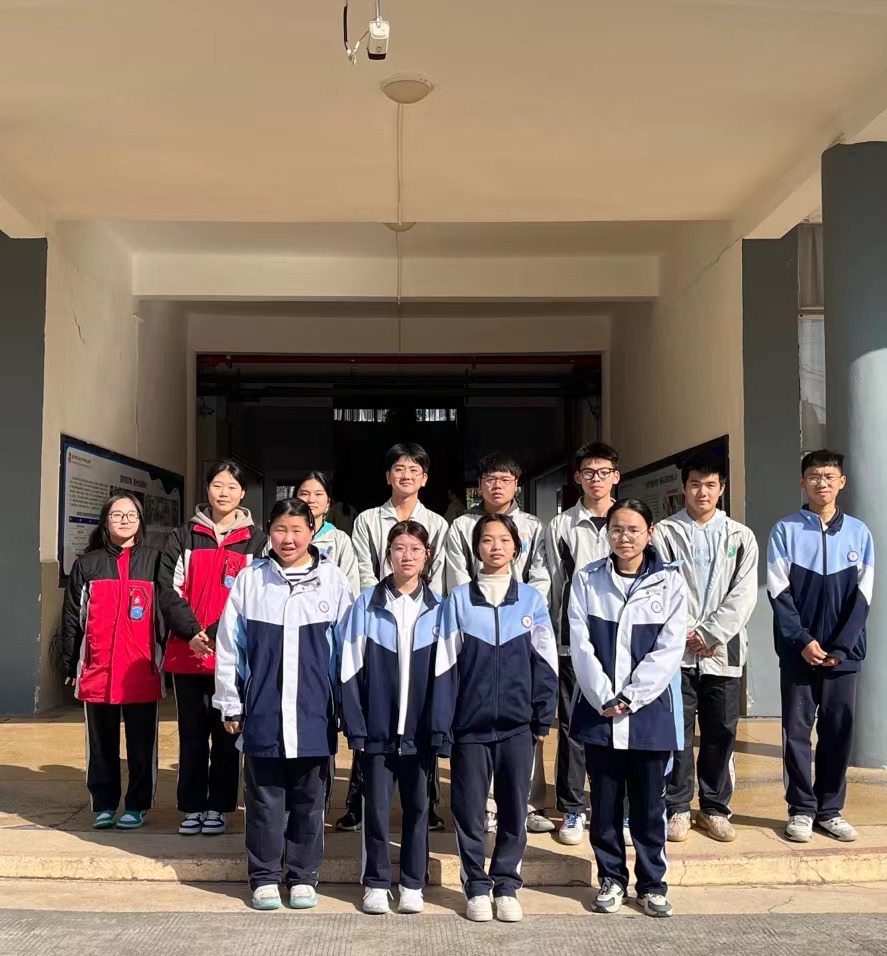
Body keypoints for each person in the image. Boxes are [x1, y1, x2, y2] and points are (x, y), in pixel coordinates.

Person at [213, 499, 352, 911]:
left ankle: (304, 876)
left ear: (312, 531)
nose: (288, 539)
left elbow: (348, 651)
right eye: (279, 529)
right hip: (264, 710)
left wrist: (346, 707)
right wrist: (230, 702)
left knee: (310, 800)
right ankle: (265, 877)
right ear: (268, 531)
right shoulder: (251, 579)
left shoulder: (332, 579)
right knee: (264, 800)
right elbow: (229, 646)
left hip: (314, 711)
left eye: (297, 530)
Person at [433, 513, 558, 923]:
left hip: (518, 727)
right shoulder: (457, 600)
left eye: (504, 540)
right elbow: (444, 668)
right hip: (469, 728)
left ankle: (506, 886)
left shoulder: (531, 600)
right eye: (487, 540)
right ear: (476, 548)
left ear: (516, 548)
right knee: (469, 811)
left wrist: (543, 715)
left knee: (513, 810)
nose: (496, 547)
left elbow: (546, 663)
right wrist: (443, 725)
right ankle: (475, 886)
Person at [568, 499, 686, 918]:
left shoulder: (670, 582)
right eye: (617, 529)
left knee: (650, 805)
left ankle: (652, 885)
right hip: (599, 713)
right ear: (607, 533)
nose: (624, 537)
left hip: (649, 715)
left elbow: (669, 648)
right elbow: (580, 644)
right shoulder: (587, 579)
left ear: (650, 533)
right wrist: (604, 695)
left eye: (634, 529)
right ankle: (611, 879)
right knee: (604, 803)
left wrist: (632, 696)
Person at [341, 441, 448, 833]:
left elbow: (438, 571)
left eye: (414, 469)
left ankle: (428, 804)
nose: (406, 475)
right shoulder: (368, 520)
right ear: (388, 476)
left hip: (422, 619)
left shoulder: (437, 523)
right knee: (374, 715)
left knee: (419, 716)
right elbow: (363, 569)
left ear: (425, 478)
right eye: (399, 469)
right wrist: (379, 605)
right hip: (378, 618)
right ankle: (357, 803)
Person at [768, 449, 873, 844]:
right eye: (814, 476)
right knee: (796, 733)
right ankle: (801, 809)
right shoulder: (785, 530)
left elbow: (864, 596)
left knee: (837, 732)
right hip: (798, 654)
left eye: (829, 476)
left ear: (841, 482)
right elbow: (778, 592)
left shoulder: (859, 533)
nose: (822, 483)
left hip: (844, 656)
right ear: (802, 482)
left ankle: (830, 810)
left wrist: (842, 647)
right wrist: (802, 640)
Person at [653, 454, 758, 844]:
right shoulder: (665, 533)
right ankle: (678, 807)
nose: (702, 492)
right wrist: (684, 632)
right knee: (677, 733)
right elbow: (659, 585)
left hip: (722, 652)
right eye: (695, 484)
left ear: (721, 489)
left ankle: (714, 808)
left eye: (711, 485)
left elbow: (744, 594)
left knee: (721, 731)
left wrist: (710, 633)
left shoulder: (740, 536)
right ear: (684, 487)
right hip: (677, 652)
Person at [445, 452, 553, 833]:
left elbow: (542, 573)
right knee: (479, 721)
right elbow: (457, 575)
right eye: (490, 478)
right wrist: (476, 609)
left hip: (520, 624)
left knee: (523, 724)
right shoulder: (462, 526)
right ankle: (486, 806)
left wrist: (524, 606)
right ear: (479, 485)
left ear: (516, 485)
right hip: (477, 622)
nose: (497, 485)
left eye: (505, 479)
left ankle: (529, 803)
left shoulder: (534, 526)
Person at [339, 521, 443, 916]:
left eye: (415, 549)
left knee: (418, 809)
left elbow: (447, 674)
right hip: (378, 731)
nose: (407, 556)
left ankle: (413, 883)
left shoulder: (440, 608)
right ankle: (377, 882)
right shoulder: (366, 603)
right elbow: (349, 666)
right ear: (388, 554)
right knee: (376, 811)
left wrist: (439, 727)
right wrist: (356, 723)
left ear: (427, 555)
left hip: (419, 731)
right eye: (399, 548)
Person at [158, 460, 267, 837]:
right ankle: (192, 806)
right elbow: (167, 589)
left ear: (243, 493)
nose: (224, 492)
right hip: (187, 653)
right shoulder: (183, 536)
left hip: (232, 654)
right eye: (218, 485)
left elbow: (253, 595)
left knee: (227, 736)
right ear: (207, 489)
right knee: (191, 736)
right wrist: (192, 632)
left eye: (232, 486)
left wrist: (216, 634)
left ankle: (219, 806)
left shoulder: (257, 540)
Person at [62, 494, 163, 831]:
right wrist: (70, 663)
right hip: (99, 668)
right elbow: (72, 617)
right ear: (105, 521)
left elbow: (164, 614)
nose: (124, 520)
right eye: (117, 514)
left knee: (141, 743)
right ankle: (104, 804)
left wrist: (164, 658)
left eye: (131, 514)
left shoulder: (154, 561)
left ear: (140, 521)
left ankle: (137, 804)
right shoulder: (87, 564)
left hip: (140, 668)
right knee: (100, 743)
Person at [545, 442, 620, 846]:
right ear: (577, 478)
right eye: (588, 472)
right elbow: (553, 585)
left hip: (620, 643)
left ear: (616, 477)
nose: (596, 479)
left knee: (620, 725)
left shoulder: (630, 519)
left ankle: (618, 807)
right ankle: (572, 807)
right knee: (573, 726)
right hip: (572, 643)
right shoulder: (561, 526)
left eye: (603, 472)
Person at [296, 470, 360, 597]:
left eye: (318, 494)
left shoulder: (340, 540)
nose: (311, 499)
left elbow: (351, 585)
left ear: (328, 503)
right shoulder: (281, 538)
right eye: (304, 494)